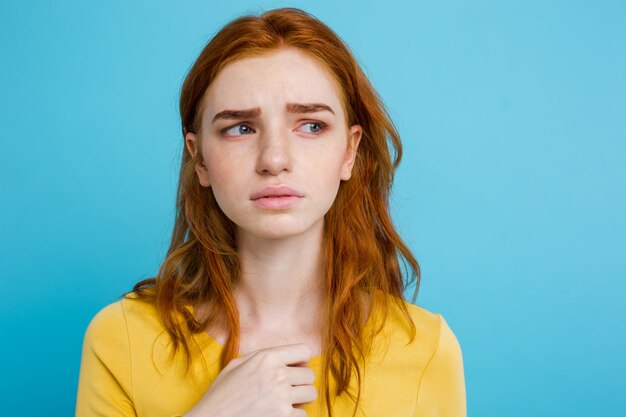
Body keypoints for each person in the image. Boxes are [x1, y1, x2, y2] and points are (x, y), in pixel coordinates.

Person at [76, 7, 466, 417]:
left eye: (311, 125)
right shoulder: (122, 337)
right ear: (200, 159)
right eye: (240, 128)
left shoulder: (425, 349)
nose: (275, 159)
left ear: (349, 152)